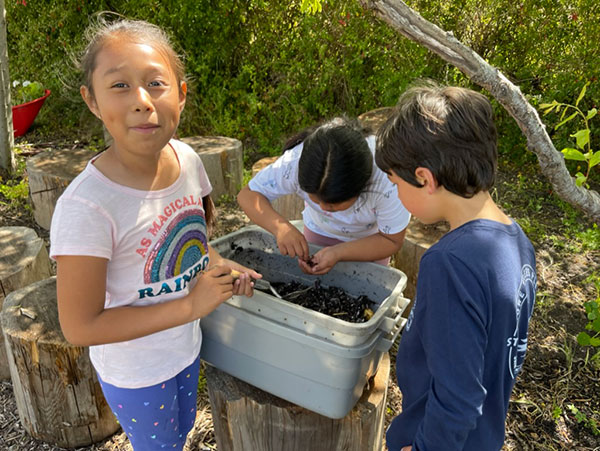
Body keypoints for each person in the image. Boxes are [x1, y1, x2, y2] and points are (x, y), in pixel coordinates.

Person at [49, 18, 259, 451]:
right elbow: (79, 326)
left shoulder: (187, 160)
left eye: (156, 83)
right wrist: (189, 306)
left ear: (181, 94)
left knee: (179, 434)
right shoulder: (87, 207)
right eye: (120, 86)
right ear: (91, 100)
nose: (142, 101)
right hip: (138, 372)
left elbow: (195, 243)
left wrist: (221, 269)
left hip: (185, 346)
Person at [375, 83, 537, 451]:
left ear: (425, 179)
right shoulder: (517, 243)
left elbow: (458, 398)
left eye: (394, 183)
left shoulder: (450, 265)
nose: (395, 194)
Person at [237, 117, 411, 275]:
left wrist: (338, 252)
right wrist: (281, 228)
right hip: (319, 231)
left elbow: (390, 240)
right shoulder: (296, 163)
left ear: (362, 186)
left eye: (333, 205)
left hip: (371, 242)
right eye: (315, 199)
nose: (323, 208)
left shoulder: (388, 180)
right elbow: (248, 195)